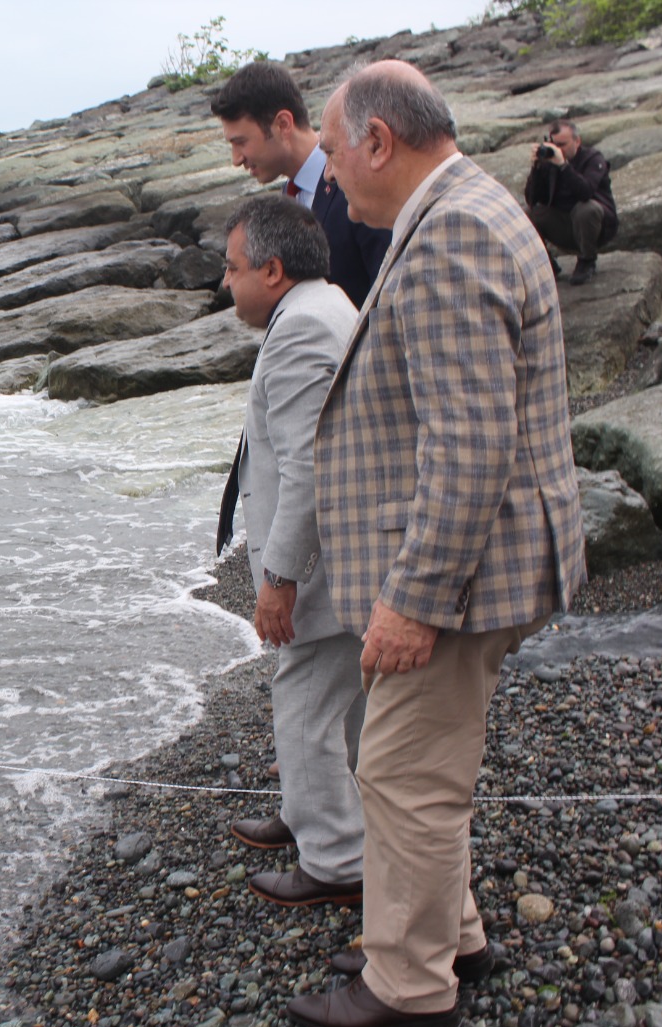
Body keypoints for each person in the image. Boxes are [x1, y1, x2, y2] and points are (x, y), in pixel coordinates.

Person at [290, 62, 586, 1027]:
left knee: (403, 770)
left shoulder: (451, 229)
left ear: (378, 140)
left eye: (331, 153)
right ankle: (448, 933)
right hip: (486, 558)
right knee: (426, 761)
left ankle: (409, 982)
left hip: (462, 572)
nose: (329, 178)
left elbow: (470, 444)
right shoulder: (466, 205)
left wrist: (412, 599)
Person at [218, 194, 367, 908]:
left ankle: (336, 862)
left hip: (323, 567)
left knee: (305, 703)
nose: (227, 283)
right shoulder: (326, 303)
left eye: (232, 268)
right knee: (341, 705)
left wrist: (279, 577)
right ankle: (325, 822)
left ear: (272, 270)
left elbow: (310, 467)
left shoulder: (304, 327)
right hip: (340, 559)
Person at [211, 61, 390, 310]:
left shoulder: (357, 184)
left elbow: (389, 293)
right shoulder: (289, 196)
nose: (236, 159)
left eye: (240, 142)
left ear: (283, 124)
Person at [524, 118, 617, 285]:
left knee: (586, 209)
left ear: (577, 141)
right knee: (527, 215)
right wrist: (536, 168)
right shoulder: (549, 162)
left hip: (596, 228)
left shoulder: (593, 159)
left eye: (563, 145)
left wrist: (563, 166)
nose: (558, 150)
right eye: (554, 145)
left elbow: (585, 192)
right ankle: (547, 263)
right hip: (564, 225)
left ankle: (587, 260)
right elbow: (532, 200)